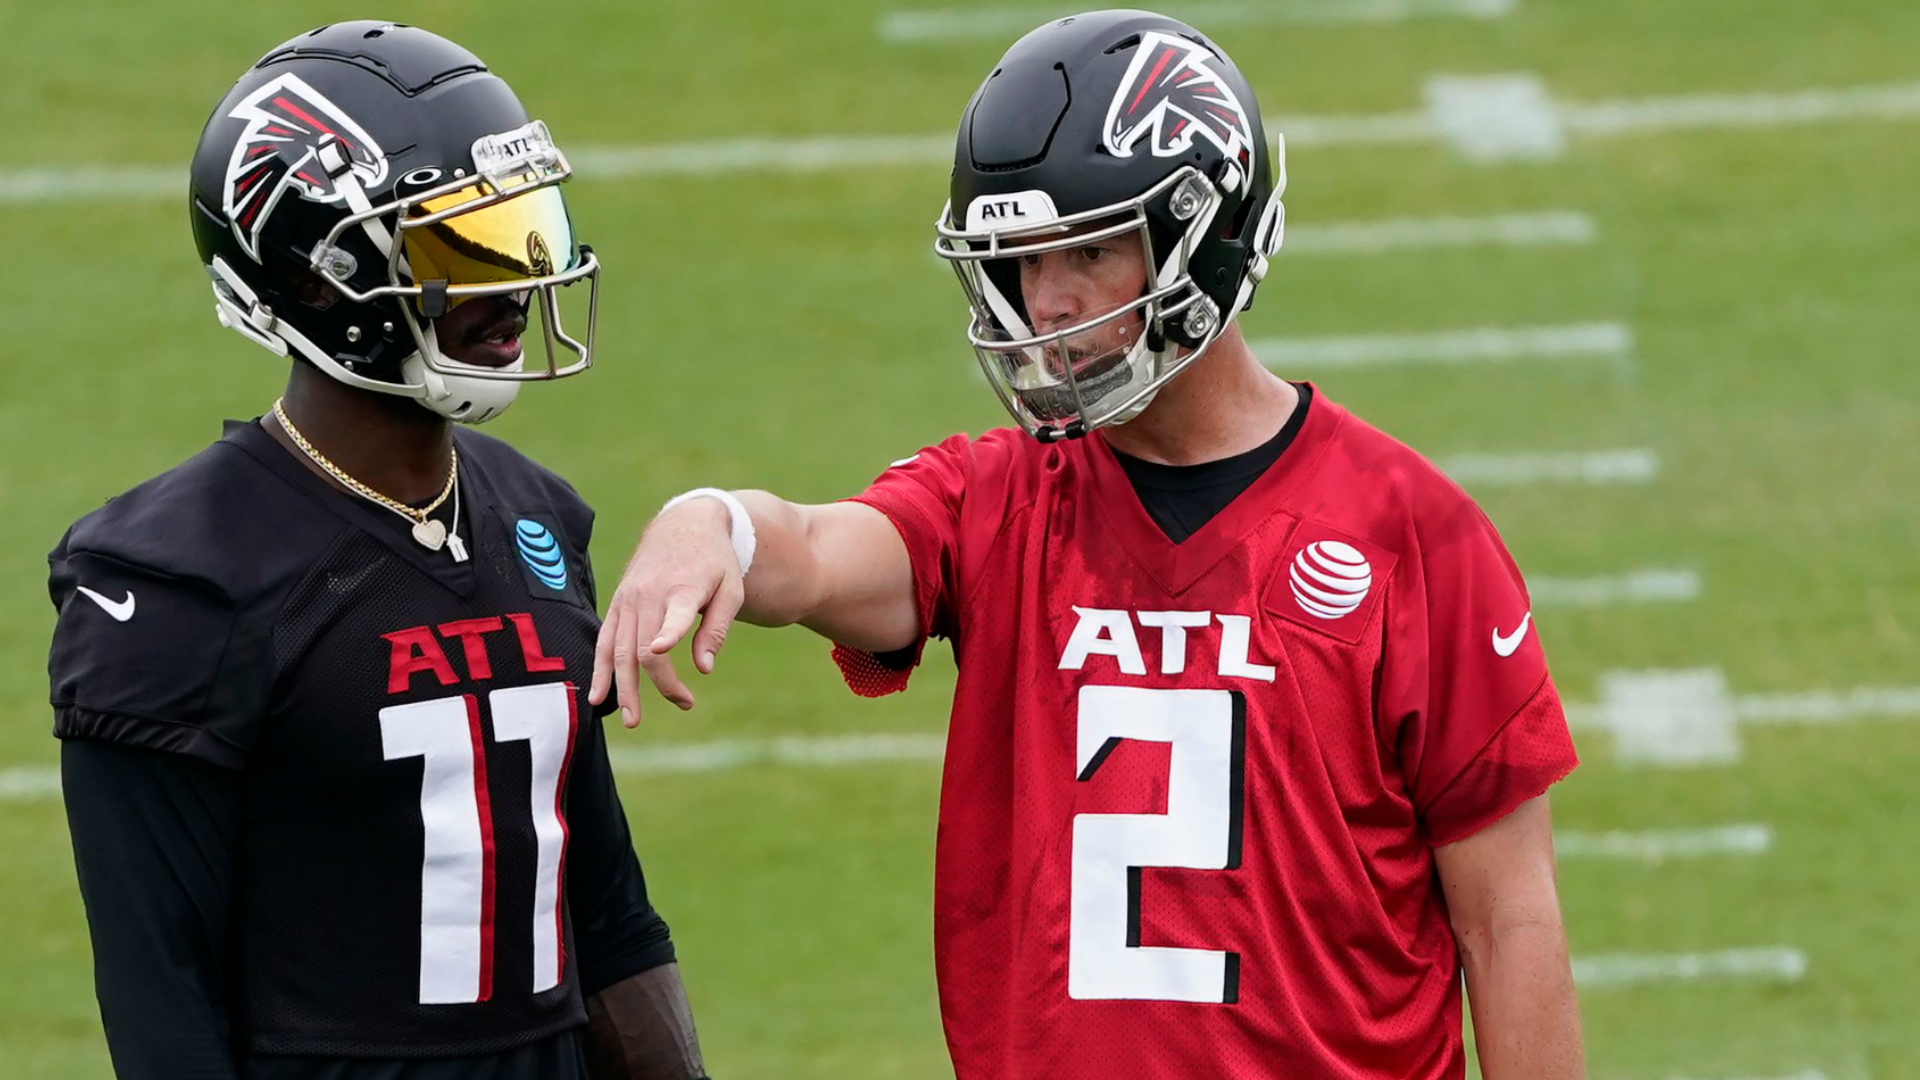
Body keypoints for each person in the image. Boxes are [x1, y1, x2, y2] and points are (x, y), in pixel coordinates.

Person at [593, 9, 1584, 1079]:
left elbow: (1509, 923)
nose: (1045, 303)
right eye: (1020, 261)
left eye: (1092, 251)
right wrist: (715, 522)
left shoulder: (1412, 532)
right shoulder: (997, 497)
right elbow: (821, 552)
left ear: (1204, 232)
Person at [48, 22, 707, 1080]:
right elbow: (162, 1011)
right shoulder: (177, 587)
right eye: (463, 247)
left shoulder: (537, 520)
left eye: (519, 229)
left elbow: (609, 922)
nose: (517, 285)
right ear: (318, 277)